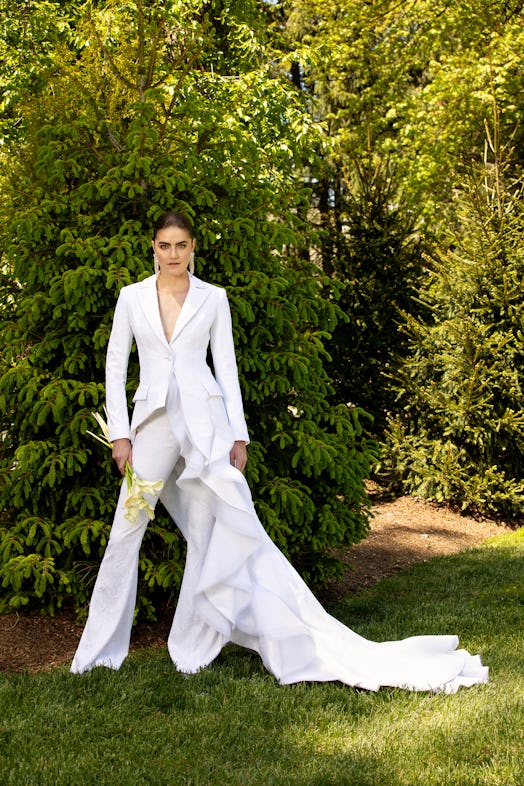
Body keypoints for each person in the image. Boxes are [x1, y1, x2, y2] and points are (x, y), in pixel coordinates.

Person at [71, 211, 488, 692]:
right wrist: (121, 434)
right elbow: (114, 363)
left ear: (193, 248)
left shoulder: (213, 298)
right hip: (154, 428)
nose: (173, 254)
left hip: (207, 433)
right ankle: (100, 651)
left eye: (181, 245)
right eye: (164, 245)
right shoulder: (131, 298)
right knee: (127, 527)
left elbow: (225, 368)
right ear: (152, 248)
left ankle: (191, 647)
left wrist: (238, 435)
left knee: (213, 531)